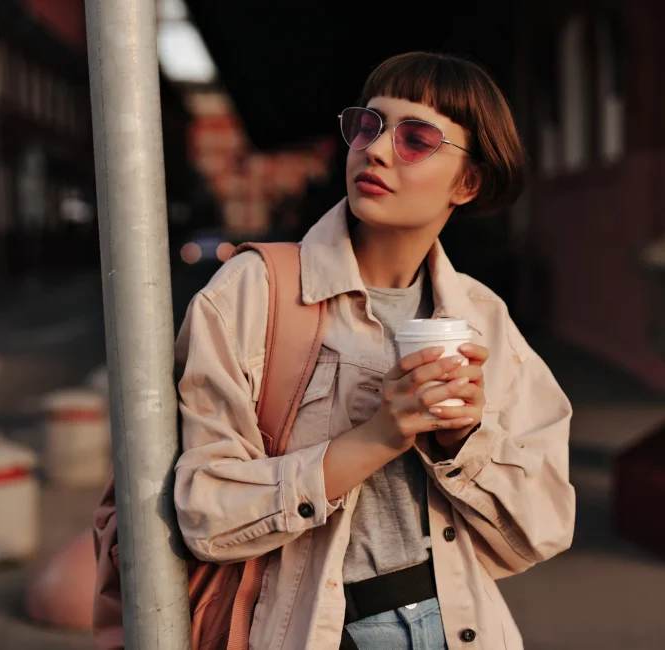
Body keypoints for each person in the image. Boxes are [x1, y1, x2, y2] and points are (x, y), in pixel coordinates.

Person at [174, 52, 575, 650]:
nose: (377, 150)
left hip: (457, 625)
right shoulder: (252, 292)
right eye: (369, 125)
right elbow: (204, 512)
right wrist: (377, 436)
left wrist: (462, 444)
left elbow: (542, 528)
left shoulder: (482, 318)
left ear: (467, 183)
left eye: (416, 139)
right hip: (316, 631)